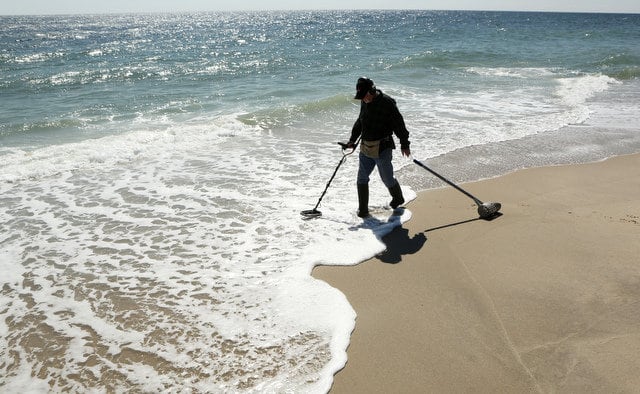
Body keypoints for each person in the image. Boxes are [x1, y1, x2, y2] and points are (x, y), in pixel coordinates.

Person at [345, 77, 411, 218]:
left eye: (364, 96)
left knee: (387, 179)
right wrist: (352, 140)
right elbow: (360, 121)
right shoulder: (365, 101)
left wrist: (404, 144)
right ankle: (363, 210)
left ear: (372, 91)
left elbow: (399, 124)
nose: (363, 99)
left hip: (382, 147)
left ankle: (398, 198)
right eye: (361, 97)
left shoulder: (387, 103)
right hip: (365, 147)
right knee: (361, 178)